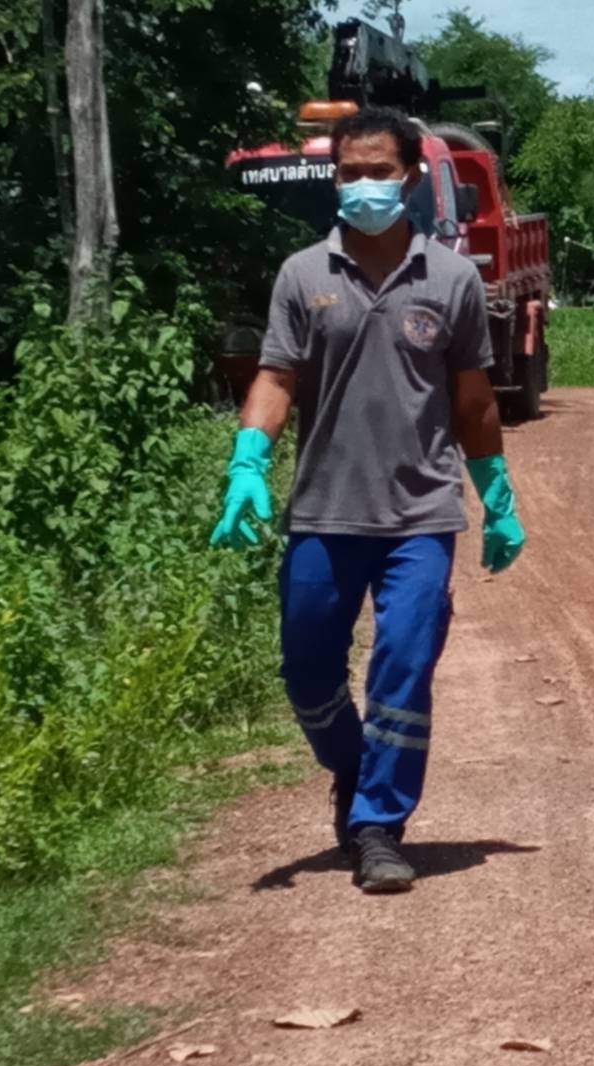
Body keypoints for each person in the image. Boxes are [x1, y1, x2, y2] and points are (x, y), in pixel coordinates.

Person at [209, 106, 526, 893]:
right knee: (306, 672)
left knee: (403, 669)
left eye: (379, 171)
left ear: (409, 177)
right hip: (323, 511)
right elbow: (276, 377)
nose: (364, 186)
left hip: (421, 515)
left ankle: (379, 825)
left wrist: (495, 492)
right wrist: (248, 462)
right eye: (350, 173)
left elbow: (472, 397)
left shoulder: (451, 278)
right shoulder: (302, 274)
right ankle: (354, 772)